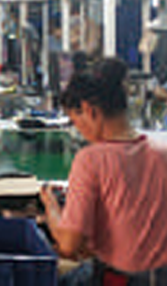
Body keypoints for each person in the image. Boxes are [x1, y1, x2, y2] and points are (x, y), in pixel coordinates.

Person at [41, 58, 167, 284]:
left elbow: (69, 246)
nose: (78, 130)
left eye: (75, 120)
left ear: (89, 110)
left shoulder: (91, 160)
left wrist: (50, 204)